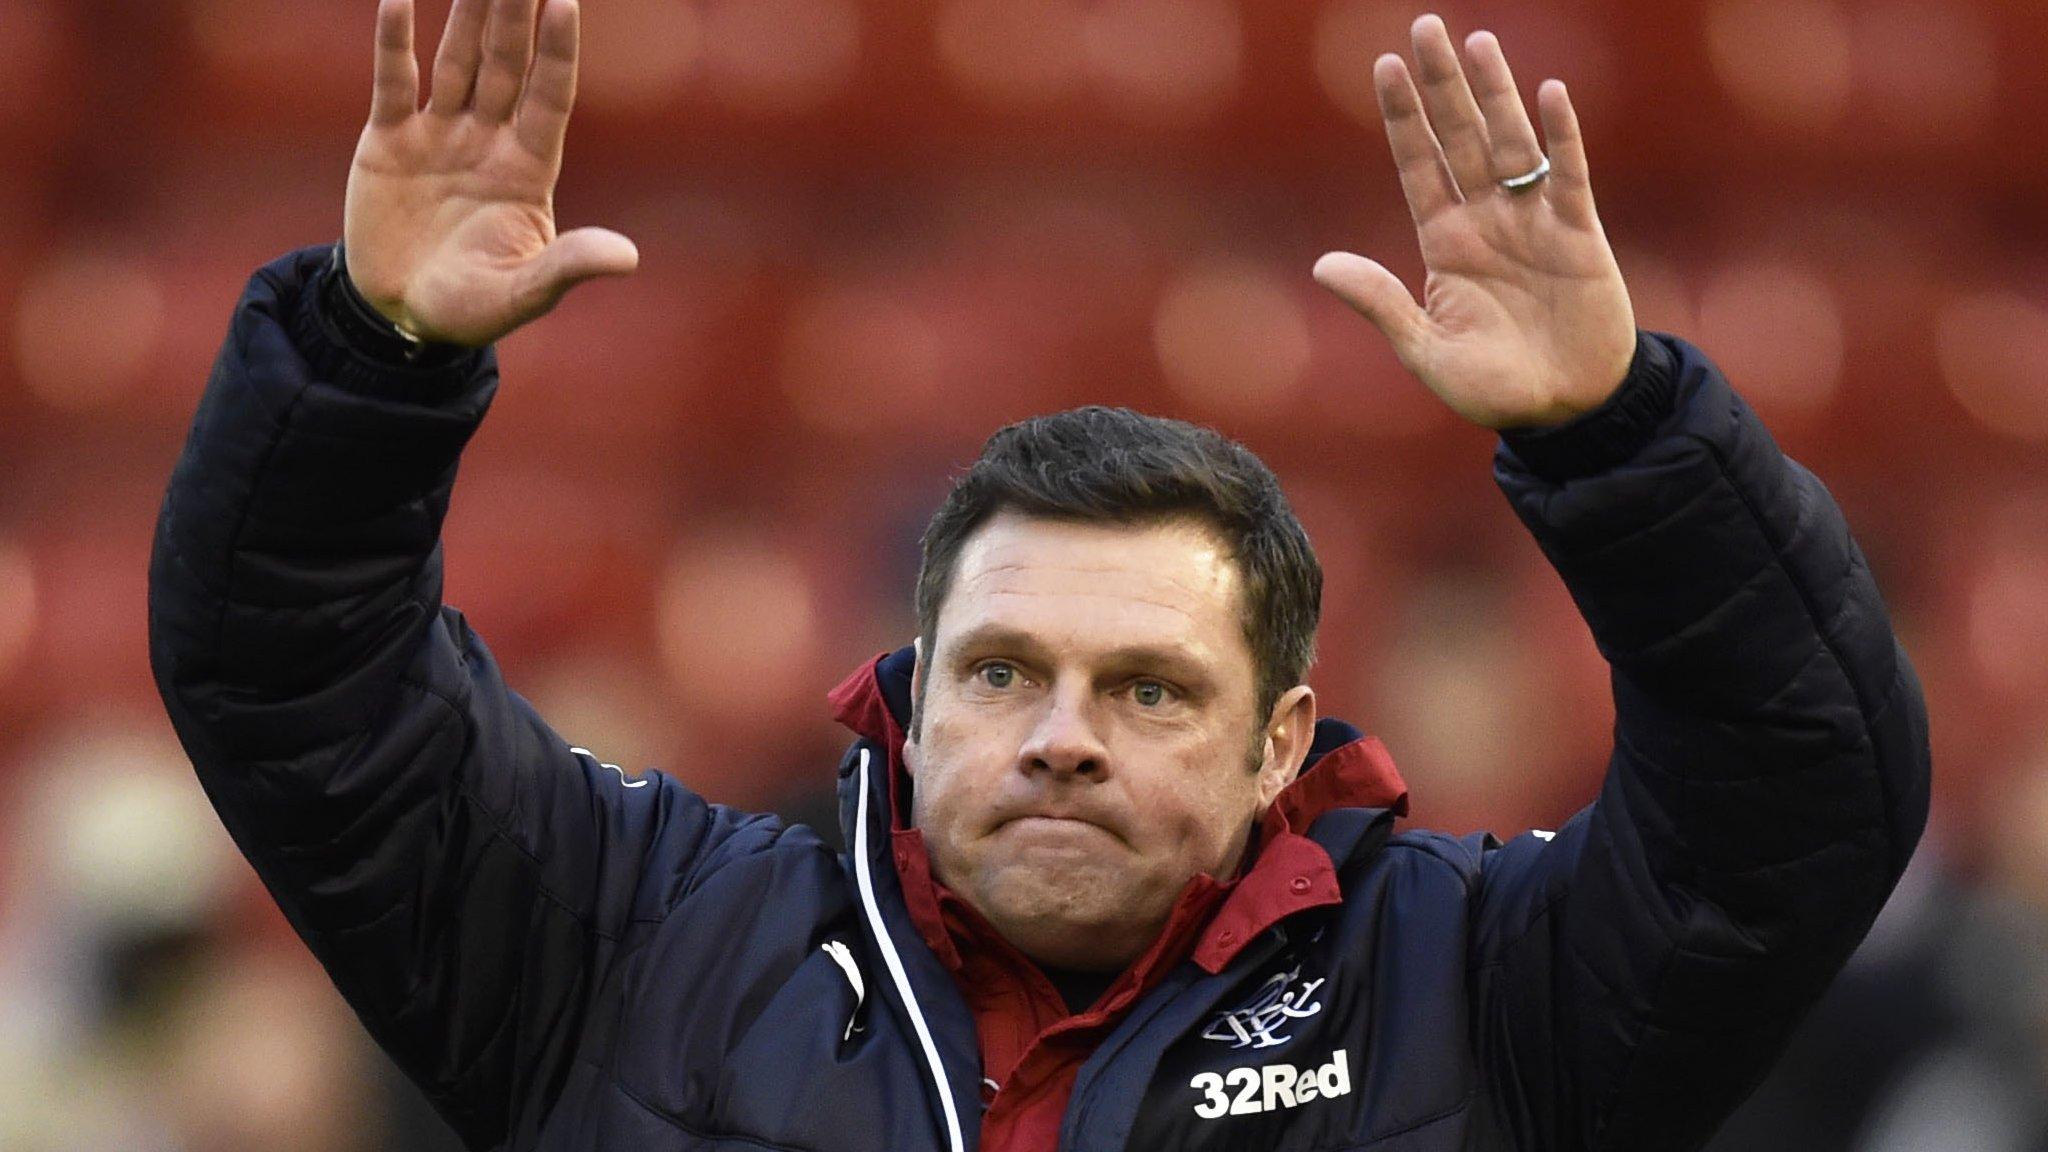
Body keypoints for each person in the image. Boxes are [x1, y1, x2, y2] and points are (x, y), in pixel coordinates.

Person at [146, 1, 1931, 1149]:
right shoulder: (632, 943)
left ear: (1278, 741)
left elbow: (1800, 805)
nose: (1061, 734)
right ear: (912, 702)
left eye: (1149, 690)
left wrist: (1620, 432)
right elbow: (293, 684)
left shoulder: (1480, 993)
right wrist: (369, 357)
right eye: (1002, 671)